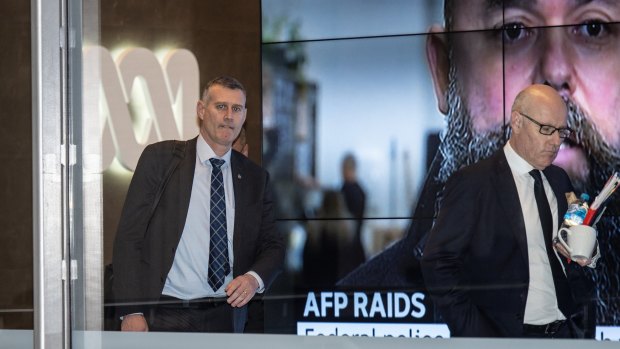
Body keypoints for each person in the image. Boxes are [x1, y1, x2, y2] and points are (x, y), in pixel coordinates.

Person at [340, 0, 620, 327]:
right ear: (446, 71)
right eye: (512, 31)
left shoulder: (561, 189)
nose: (555, 72)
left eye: (593, 27)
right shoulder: (349, 325)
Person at [112, 76, 285, 333]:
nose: (229, 116)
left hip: (225, 316)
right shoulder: (161, 160)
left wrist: (253, 279)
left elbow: (274, 246)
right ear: (201, 110)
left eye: (236, 109)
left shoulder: (255, 179)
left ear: (244, 115)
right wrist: (131, 310)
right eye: (221, 107)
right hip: (165, 312)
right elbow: (129, 237)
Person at [421, 84, 596, 338]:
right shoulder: (474, 183)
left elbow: (577, 253)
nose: (556, 141)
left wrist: (588, 250)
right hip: (505, 337)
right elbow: (437, 262)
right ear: (517, 121)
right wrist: (475, 332)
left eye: (561, 131)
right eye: (546, 129)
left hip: (565, 333)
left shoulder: (560, 180)